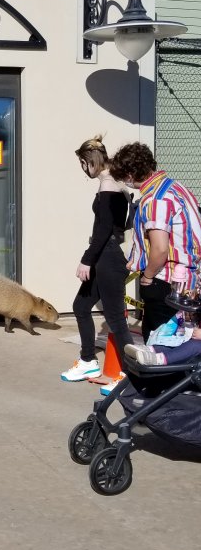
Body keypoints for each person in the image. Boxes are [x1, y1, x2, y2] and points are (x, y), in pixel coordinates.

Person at [109, 142, 201, 341]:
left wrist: (148, 276)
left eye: (124, 178)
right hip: (190, 278)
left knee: (160, 342)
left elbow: (159, 249)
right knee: (183, 337)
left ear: (130, 175)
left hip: (167, 281)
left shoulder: (155, 199)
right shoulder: (175, 187)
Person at [61, 135, 133, 384]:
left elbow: (104, 229)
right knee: (81, 306)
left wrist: (86, 259)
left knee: (115, 319)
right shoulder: (116, 183)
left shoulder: (108, 185)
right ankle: (88, 362)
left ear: (91, 161)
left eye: (83, 163)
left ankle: (128, 375)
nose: (83, 169)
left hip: (108, 257)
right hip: (104, 254)